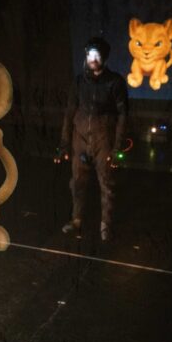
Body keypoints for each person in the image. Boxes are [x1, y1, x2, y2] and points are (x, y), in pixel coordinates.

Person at [58, 36, 129, 241]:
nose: (93, 59)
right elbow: (69, 112)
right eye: (90, 54)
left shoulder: (115, 82)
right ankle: (76, 220)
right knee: (77, 183)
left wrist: (117, 147)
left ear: (104, 57)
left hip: (103, 139)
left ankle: (105, 224)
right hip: (80, 140)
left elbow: (123, 115)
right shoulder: (79, 81)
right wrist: (64, 143)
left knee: (106, 183)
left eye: (97, 55)